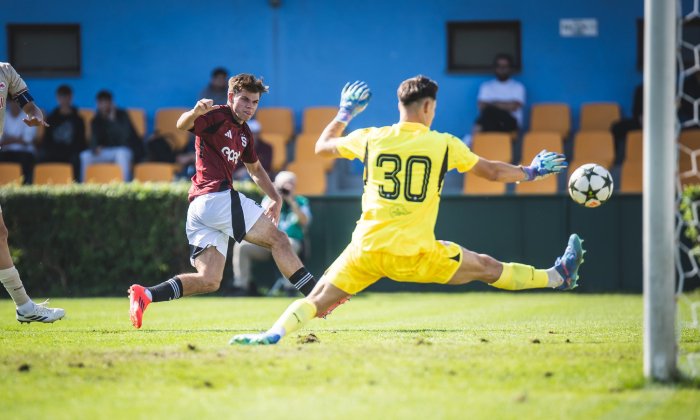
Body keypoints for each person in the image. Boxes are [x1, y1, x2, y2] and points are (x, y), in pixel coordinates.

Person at [230, 76, 583, 346]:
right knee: (489, 268)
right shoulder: (444, 144)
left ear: (401, 104)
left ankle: (273, 335)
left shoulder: (371, 137)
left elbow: (322, 146)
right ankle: (556, 277)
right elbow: (491, 171)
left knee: (317, 299)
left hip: (366, 251)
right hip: (417, 253)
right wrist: (531, 172)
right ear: (428, 107)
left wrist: (345, 112)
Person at [127, 73, 319, 329]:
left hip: (200, 207)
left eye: (255, 102)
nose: (250, 106)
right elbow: (182, 124)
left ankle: (146, 295)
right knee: (280, 240)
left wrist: (275, 197)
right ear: (231, 97)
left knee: (209, 280)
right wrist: (195, 111)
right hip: (215, 198)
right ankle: (319, 298)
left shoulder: (245, 134)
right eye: (245, 100)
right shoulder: (216, 115)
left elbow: (255, 169)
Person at [0, 62, 64, 322]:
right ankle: (25, 306)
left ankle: (24, 307)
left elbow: (27, 102)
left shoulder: (5, 70)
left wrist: (35, 114)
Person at [232, 170, 311, 296]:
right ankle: (241, 286)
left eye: (290, 184)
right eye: (284, 184)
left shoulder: (301, 201)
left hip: (292, 241)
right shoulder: (268, 200)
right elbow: (262, 220)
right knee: (242, 247)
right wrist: (274, 196)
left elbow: (305, 221)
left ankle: (289, 288)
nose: (287, 187)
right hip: (268, 243)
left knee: (288, 243)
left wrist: (291, 201)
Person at [79, 90, 141, 181]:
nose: (103, 106)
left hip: (122, 150)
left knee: (121, 154)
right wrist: (95, 148)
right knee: (85, 155)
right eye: (101, 103)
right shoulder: (96, 120)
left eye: (106, 102)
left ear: (111, 103)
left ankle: (125, 188)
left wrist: (113, 120)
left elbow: (124, 138)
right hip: (105, 152)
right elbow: (93, 139)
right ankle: (83, 189)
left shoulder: (122, 116)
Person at [470, 53, 525, 138]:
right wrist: (504, 105)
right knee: (486, 116)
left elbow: (514, 106)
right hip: (491, 123)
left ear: (510, 68)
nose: (502, 69)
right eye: (499, 66)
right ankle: (475, 143)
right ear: (495, 68)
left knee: (488, 113)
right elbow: (481, 106)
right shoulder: (486, 86)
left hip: (510, 123)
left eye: (505, 66)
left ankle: (470, 140)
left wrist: (492, 104)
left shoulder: (518, 87)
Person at [41, 84, 87, 180]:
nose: (64, 100)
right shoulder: (51, 118)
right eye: (61, 97)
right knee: (41, 156)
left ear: (71, 97)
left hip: (71, 151)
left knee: (77, 158)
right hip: (54, 150)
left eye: (66, 97)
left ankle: (75, 185)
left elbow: (80, 140)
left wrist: (69, 149)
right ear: (57, 98)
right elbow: (47, 139)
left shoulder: (78, 119)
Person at [0, 100, 37, 183]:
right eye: (12, 102)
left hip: (24, 152)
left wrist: (7, 138)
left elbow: (27, 140)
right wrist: (18, 139)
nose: (15, 105)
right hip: (5, 152)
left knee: (25, 161)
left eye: (17, 102)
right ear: (8, 103)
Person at [610, 83, 643, 165]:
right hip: (639, 122)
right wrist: (641, 120)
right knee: (616, 127)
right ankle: (617, 159)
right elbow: (636, 110)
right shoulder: (641, 89)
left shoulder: (666, 89)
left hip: (661, 125)